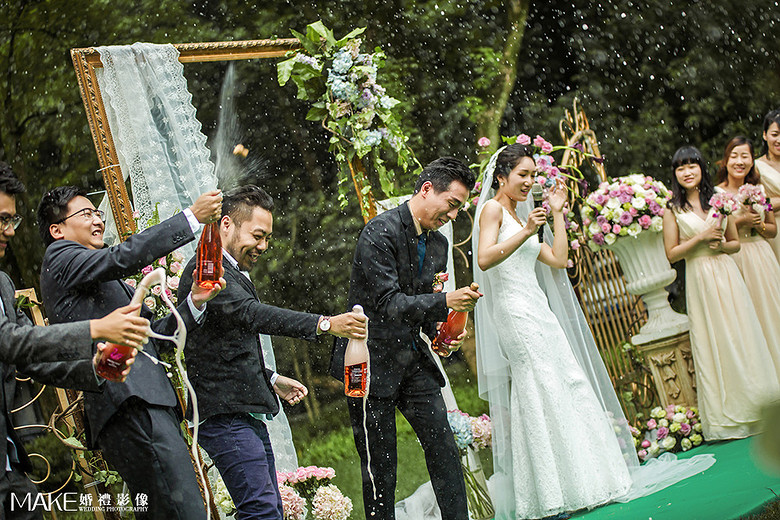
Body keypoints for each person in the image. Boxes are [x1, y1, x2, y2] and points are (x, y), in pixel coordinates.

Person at [178, 184, 367, 520]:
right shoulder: (207, 272)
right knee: (261, 510)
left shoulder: (230, 271)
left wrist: (271, 378)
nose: (263, 246)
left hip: (241, 412)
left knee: (270, 508)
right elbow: (251, 314)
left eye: (267, 238)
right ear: (226, 224)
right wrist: (325, 323)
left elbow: (220, 347)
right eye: (257, 235)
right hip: (225, 417)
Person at [37, 185, 224, 519]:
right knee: (183, 510)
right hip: (129, 402)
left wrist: (195, 301)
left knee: (170, 509)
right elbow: (120, 258)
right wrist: (191, 217)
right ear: (57, 230)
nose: (98, 220)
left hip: (144, 402)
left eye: (97, 213)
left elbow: (157, 337)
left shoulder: (100, 279)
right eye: (86, 214)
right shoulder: (60, 257)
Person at [473, 144, 633, 518]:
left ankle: (585, 480)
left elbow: (559, 260)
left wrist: (557, 214)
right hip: (515, 313)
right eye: (522, 175)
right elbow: (484, 258)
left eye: (533, 175)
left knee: (565, 381)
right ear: (501, 177)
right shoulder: (493, 209)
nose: (530, 182)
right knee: (538, 386)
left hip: (538, 309)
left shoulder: (520, 216)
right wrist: (528, 230)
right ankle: (548, 493)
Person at [330, 157, 481, 520]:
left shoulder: (439, 245)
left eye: (459, 208)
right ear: (427, 189)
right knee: (380, 466)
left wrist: (441, 333)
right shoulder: (378, 233)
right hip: (367, 362)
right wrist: (446, 301)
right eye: (452, 204)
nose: (454, 215)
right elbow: (388, 304)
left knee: (445, 449)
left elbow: (422, 306)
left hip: (413, 361)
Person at [0, 163, 148, 519]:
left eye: (12, 220)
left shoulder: (3, 284)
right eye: (2, 219)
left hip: (9, 467)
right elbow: (8, 341)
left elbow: (33, 360)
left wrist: (94, 368)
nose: (11, 230)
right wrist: (96, 328)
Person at [664, 145, 780, 439]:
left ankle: (761, 406)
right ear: (675, 174)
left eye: (692, 165)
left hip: (728, 273)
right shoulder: (672, 209)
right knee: (714, 339)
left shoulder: (718, 200)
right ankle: (728, 415)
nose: (687, 172)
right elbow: (672, 254)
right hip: (700, 277)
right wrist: (700, 239)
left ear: (701, 168)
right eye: (681, 167)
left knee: (743, 334)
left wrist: (721, 245)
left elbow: (735, 244)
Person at [714, 136, 780, 373]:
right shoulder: (717, 194)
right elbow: (717, 229)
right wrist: (741, 221)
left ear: (752, 161)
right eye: (734, 156)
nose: (739, 161)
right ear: (726, 160)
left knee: (772, 310)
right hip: (736, 258)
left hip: (763, 256)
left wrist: (758, 225)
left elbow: (772, 230)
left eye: (745, 156)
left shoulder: (760, 191)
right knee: (746, 315)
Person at [756, 109, 780, 261]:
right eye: (775, 134)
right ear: (765, 135)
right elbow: (757, 206)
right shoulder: (756, 167)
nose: (779, 140)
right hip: (773, 231)